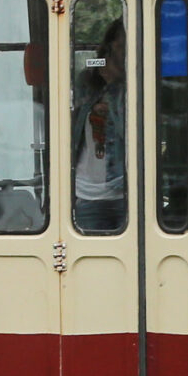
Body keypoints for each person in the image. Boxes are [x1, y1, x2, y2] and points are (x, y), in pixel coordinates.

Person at [69, 19, 128, 232]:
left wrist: (116, 84)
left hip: (124, 190)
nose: (122, 54)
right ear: (110, 47)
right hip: (87, 193)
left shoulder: (133, 85)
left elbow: (127, 131)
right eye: (120, 47)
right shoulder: (87, 82)